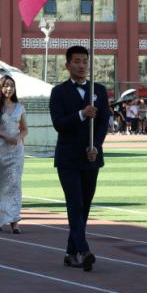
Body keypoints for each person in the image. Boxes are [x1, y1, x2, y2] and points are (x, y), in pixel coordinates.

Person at [50, 45, 109, 272]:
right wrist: (82, 114)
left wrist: (97, 146)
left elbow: (103, 122)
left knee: (84, 206)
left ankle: (70, 252)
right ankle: (83, 251)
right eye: (76, 61)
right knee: (75, 203)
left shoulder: (99, 90)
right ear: (67, 65)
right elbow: (59, 123)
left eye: (84, 61)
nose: (81, 65)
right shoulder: (59, 92)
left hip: (91, 157)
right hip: (68, 158)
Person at [0, 74, 27, 233]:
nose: (8, 89)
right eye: (5, 86)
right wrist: (5, 136)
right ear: (0, 88)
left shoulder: (20, 107)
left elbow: (25, 129)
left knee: (15, 183)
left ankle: (15, 220)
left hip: (16, 150)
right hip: (0, 150)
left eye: (11, 85)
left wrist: (18, 137)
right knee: (2, 184)